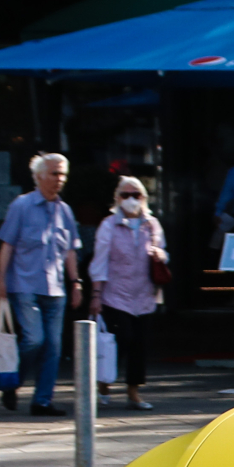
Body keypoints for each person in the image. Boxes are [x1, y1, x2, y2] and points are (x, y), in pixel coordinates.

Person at [0, 151, 82, 417]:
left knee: (54, 347)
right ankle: (13, 381)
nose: (59, 179)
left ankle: (42, 401)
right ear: (39, 176)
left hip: (56, 288)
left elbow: (69, 251)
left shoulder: (64, 210)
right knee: (34, 339)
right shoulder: (21, 206)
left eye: (62, 174)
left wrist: (76, 282)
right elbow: (7, 245)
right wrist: (0, 280)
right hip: (24, 284)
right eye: (54, 173)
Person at [90, 174, 168, 409]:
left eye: (136, 195)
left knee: (140, 345)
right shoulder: (108, 225)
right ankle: (104, 382)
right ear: (117, 198)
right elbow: (100, 262)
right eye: (125, 195)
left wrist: (160, 255)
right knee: (122, 339)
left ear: (144, 197)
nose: (131, 199)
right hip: (116, 295)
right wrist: (95, 295)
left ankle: (134, 392)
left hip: (144, 295)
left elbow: (164, 252)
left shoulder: (151, 224)